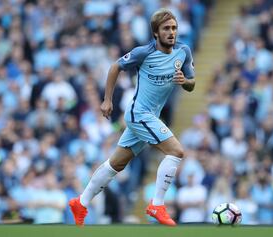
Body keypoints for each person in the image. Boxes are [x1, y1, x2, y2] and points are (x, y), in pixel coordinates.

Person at [69, 8, 195, 226]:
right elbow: (115, 67)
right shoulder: (143, 52)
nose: (171, 32)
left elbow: (192, 84)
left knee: (116, 163)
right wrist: (107, 100)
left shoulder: (183, 51)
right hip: (139, 114)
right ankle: (157, 204)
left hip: (150, 116)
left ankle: (81, 202)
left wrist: (184, 81)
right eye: (166, 28)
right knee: (176, 151)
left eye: (174, 28)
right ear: (156, 32)